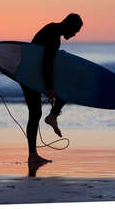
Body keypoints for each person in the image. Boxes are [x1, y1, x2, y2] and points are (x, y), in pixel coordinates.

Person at [20, 13, 83, 163]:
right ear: (69, 26)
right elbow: (46, 62)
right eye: (75, 31)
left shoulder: (53, 31)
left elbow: (47, 58)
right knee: (35, 113)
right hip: (30, 75)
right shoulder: (53, 36)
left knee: (67, 88)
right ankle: (33, 155)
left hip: (33, 73)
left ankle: (53, 116)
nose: (74, 35)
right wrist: (49, 88)